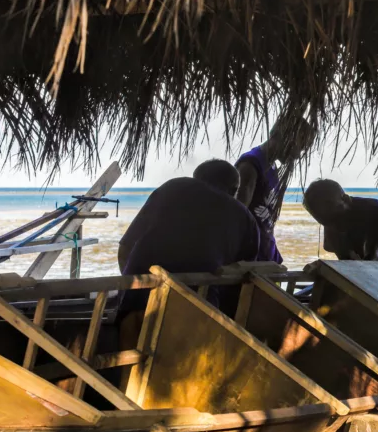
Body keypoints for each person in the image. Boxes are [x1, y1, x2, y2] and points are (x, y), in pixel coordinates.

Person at [117, 160, 261, 317]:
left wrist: (129, 291)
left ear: (195, 179)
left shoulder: (173, 188)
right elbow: (242, 279)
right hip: (199, 310)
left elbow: (125, 248)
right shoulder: (245, 219)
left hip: (141, 304)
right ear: (234, 189)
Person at [236, 115, 317, 264]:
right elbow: (237, 214)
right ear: (283, 137)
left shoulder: (271, 166)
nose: (299, 155)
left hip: (266, 254)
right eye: (301, 146)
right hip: (251, 259)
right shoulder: (251, 165)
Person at [303, 179, 378, 273]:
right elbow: (345, 259)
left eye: (333, 218)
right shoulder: (330, 217)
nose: (332, 225)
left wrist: (324, 266)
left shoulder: (376, 211)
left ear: (345, 199)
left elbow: (372, 262)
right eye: (324, 222)